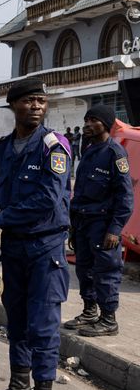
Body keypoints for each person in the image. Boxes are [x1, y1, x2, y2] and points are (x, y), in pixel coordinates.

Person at [0, 77, 72, 390]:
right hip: (13, 248)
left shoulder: (53, 146)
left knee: (42, 327)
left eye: (42, 102)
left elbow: (47, 200)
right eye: (29, 101)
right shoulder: (0, 150)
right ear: (13, 106)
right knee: (16, 323)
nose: (36, 107)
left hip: (46, 249)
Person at [65, 105, 133, 337]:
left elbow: (125, 196)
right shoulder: (90, 151)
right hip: (83, 223)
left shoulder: (115, 154)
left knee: (106, 271)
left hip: (103, 226)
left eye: (93, 120)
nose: (87, 125)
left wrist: (115, 229)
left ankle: (108, 319)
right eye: (86, 120)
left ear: (106, 124)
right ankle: (89, 312)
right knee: (84, 269)